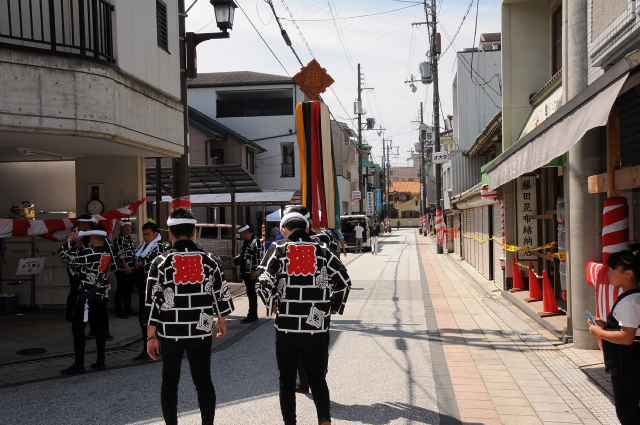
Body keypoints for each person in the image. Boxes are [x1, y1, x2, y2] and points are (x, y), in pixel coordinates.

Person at [257, 212, 351, 425]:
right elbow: (344, 281)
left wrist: (272, 303)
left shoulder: (279, 249)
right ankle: (324, 419)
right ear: (307, 229)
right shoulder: (323, 249)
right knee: (317, 378)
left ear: (284, 230)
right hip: (316, 326)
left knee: (287, 380)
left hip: (287, 325)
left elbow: (263, 279)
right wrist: (332, 306)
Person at [145, 208, 234, 425]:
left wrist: (151, 336)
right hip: (200, 328)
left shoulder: (160, 262)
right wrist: (221, 319)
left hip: (170, 330)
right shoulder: (210, 259)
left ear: (171, 233)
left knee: (169, 380)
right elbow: (220, 293)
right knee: (203, 380)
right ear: (194, 232)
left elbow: (152, 302)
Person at [589, 250, 640, 425]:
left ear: (629, 273)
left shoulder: (630, 301)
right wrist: (607, 326)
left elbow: (627, 337)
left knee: (628, 413)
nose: (608, 272)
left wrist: (599, 332)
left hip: (628, 362)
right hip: (630, 361)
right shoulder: (633, 297)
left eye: (612, 269)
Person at [59, 225, 115, 374]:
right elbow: (85, 260)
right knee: (99, 329)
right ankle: (101, 361)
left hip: (87, 299)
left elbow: (66, 256)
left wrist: (69, 240)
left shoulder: (90, 252)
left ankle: (79, 364)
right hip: (101, 297)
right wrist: (79, 246)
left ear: (92, 238)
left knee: (78, 329)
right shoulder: (107, 252)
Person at [132, 220, 165, 362]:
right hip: (143, 284)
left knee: (149, 317)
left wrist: (143, 263)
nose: (146, 237)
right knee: (145, 317)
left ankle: (152, 347)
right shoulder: (144, 246)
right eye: (144, 234)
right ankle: (154, 347)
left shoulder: (159, 246)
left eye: (148, 234)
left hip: (153, 287)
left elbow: (157, 262)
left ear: (156, 234)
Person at [61, 214, 95, 322]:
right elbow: (64, 252)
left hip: (89, 269)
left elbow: (88, 252)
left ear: (86, 224)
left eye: (80, 223)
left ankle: (86, 314)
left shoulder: (93, 235)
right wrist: (71, 240)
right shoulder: (76, 233)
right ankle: (70, 314)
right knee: (75, 290)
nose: (78, 225)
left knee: (87, 291)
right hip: (75, 269)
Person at [234, 223, 263, 324]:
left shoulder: (256, 242)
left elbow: (259, 258)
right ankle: (253, 315)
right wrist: (234, 259)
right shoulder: (246, 243)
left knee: (251, 293)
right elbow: (242, 255)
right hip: (245, 271)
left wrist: (255, 270)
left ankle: (252, 315)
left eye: (241, 234)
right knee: (250, 293)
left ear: (246, 232)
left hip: (251, 272)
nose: (241, 236)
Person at [113, 220, 137, 319]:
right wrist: (126, 266)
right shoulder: (119, 239)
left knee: (129, 290)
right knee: (121, 290)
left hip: (132, 267)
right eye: (126, 227)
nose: (128, 228)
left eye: (129, 227)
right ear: (121, 228)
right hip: (123, 269)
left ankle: (128, 309)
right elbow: (120, 253)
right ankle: (119, 311)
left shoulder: (131, 238)